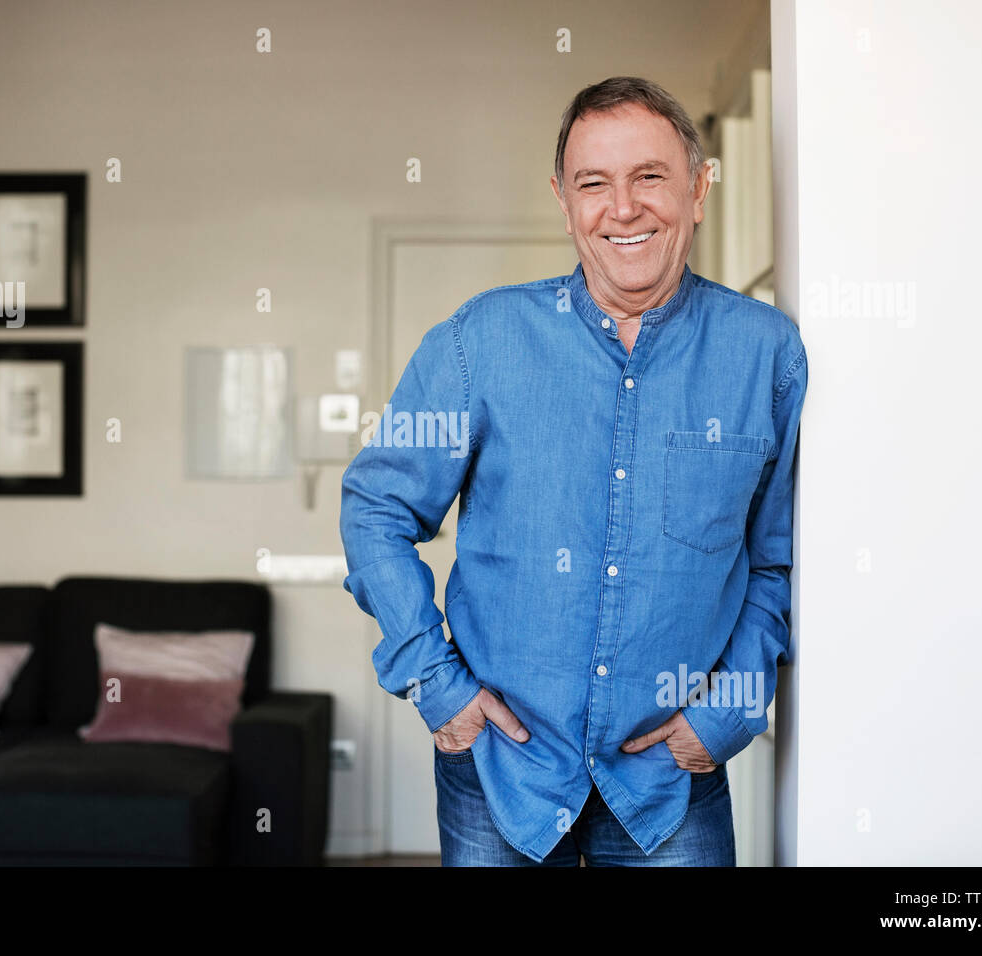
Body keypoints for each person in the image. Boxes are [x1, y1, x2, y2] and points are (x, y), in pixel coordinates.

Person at [339, 76, 808, 866]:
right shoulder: (478, 342)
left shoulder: (765, 356)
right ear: (564, 201)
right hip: (500, 772)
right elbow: (376, 508)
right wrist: (438, 685)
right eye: (595, 184)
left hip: (670, 780)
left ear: (698, 189)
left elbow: (777, 559)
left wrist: (726, 712)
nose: (622, 209)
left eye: (649, 177)